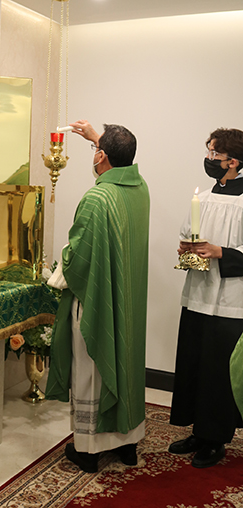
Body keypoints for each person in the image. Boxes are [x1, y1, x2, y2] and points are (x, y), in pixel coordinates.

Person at [46, 120, 150, 473]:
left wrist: (61, 259)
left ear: (102, 156)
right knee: (126, 364)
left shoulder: (96, 197)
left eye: (95, 150)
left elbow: (79, 258)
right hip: (128, 302)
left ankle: (88, 450)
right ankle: (128, 444)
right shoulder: (140, 189)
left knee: (92, 368)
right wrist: (98, 139)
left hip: (97, 302)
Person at [169, 128, 243, 468]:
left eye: (214, 154)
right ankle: (198, 431)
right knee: (194, 363)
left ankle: (216, 440)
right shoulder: (208, 196)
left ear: (234, 161)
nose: (209, 159)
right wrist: (187, 249)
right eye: (209, 152)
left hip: (230, 301)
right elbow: (190, 233)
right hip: (198, 294)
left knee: (218, 371)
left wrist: (220, 252)